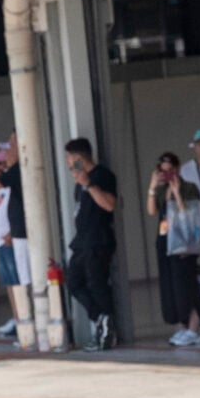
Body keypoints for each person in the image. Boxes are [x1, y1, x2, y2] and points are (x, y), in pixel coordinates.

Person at [63, 137, 120, 350]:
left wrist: (89, 184)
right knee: (74, 280)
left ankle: (107, 329)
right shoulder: (78, 183)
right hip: (82, 241)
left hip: (98, 239)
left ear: (78, 157)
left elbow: (109, 205)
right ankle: (99, 318)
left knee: (97, 283)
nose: (68, 162)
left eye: (69, 157)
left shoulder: (102, 176)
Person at [147, 152, 200, 346]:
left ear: (178, 168)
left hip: (183, 240)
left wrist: (177, 193)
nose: (168, 176)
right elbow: (152, 211)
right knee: (170, 286)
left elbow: (189, 215)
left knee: (185, 285)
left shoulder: (189, 188)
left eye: (171, 171)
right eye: (164, 172)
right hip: (165, 239)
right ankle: (180, 326)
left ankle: (193, 328)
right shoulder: (161, 188)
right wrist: (153, 186)